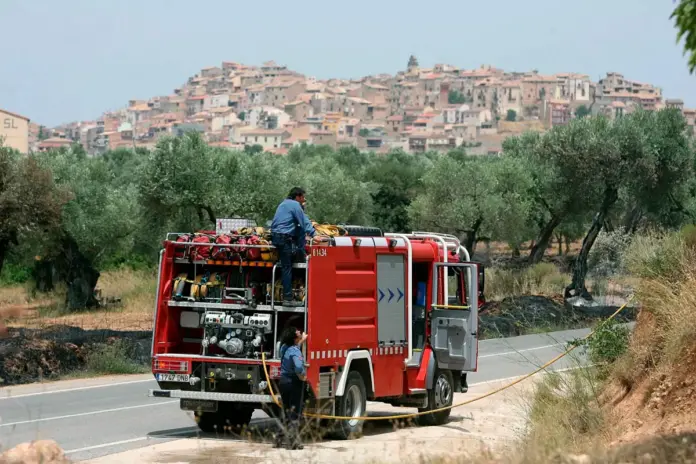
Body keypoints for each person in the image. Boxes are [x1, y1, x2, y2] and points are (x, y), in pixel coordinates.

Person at [270, 187, 316, 307]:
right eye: (303, 197)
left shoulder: (283, 204)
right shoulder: (295, 205)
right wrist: (314, 234)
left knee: (285, 264)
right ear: (297, 197)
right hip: (284, 238)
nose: (304, 200)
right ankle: (288, 298)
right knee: (287, 267)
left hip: (275, 237)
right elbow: (304, 221)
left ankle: (298, 255)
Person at [274, 326, 308, 450]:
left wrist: (301, 341)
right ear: (294, 337)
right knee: (295, 412)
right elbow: (299, 367)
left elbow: (293, 349)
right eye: (298, 332)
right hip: (294, 383)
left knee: (285, 410)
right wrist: (302, 377)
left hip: (283, 382)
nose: (300, 331)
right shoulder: (295, 351)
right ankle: (293, 443)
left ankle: (278, 439)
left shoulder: (284, 348)